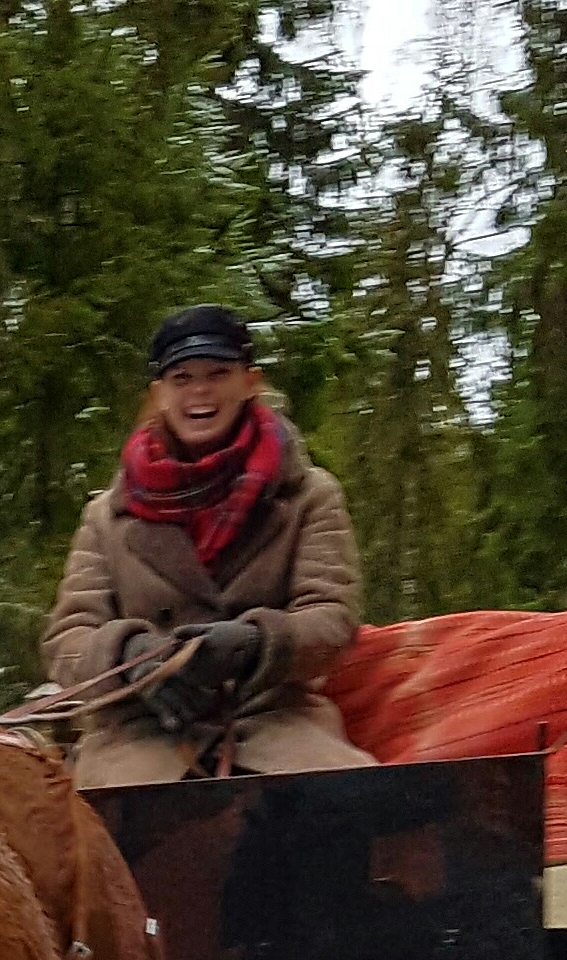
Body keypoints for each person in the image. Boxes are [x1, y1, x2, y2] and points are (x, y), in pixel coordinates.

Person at [43, 305, 375, 787]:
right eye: (182, 377)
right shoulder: (106, 515)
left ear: (250, 382)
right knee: (97, 839)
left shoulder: (309, 495)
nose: (200, 391)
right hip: (140, 736)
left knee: (356, 813)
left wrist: (256, 645)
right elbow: (68, 638)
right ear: (159, 393)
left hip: (276, 724)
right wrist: (133, 660)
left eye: (218, 373)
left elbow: (332, 618)